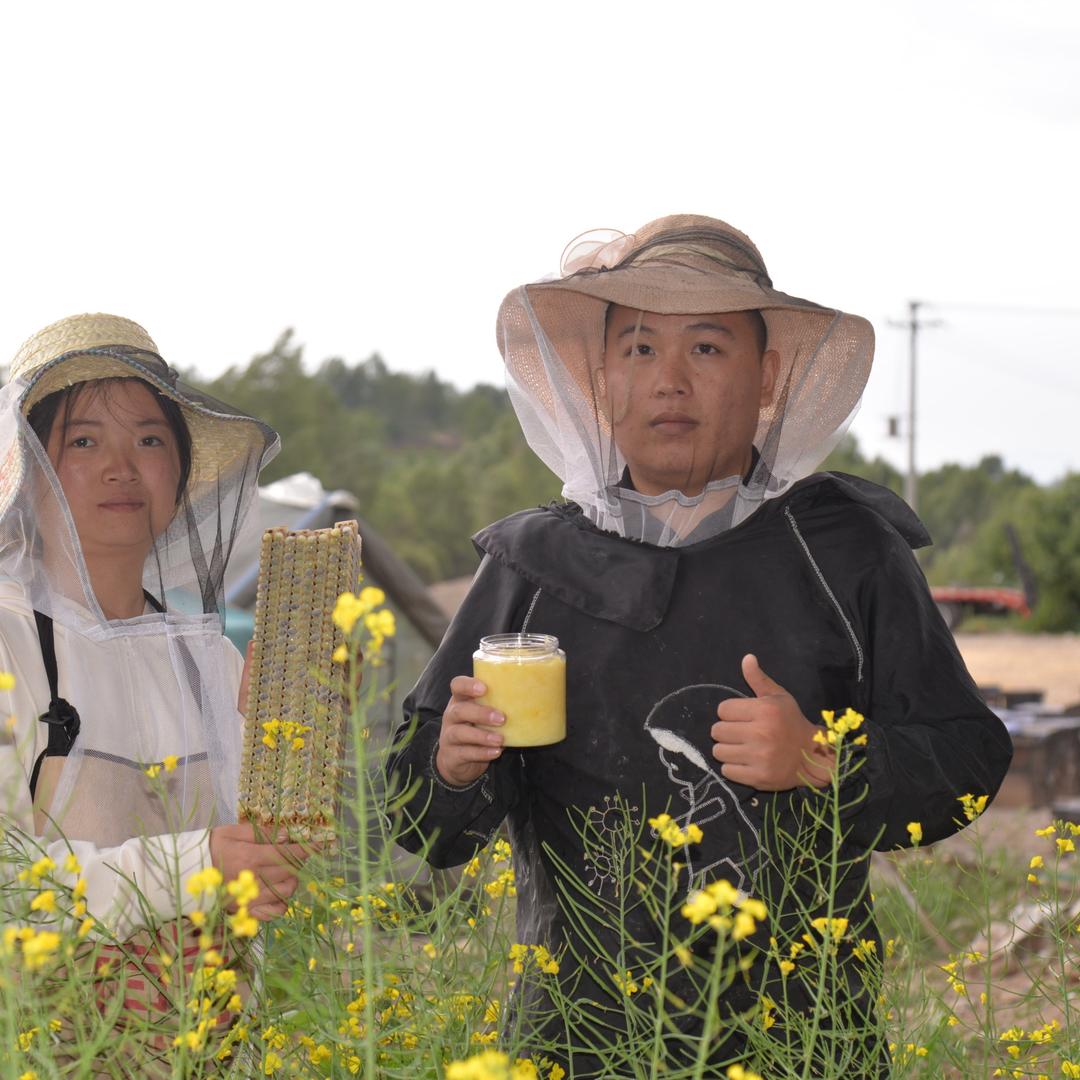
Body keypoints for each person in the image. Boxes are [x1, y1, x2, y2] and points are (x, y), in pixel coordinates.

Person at [387, 216, 1013, 1074]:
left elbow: (968, 755)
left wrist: (823, 760)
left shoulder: (844, 552)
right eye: (638, 350)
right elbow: (420, 819)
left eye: (708, 349)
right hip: (581, 1042)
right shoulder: (533, 565)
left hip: (800, 1040)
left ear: (767, 377)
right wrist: (454, 765)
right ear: (601, 379)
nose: (668, 382)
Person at [0, 314, 307, 1032]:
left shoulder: (211, 659)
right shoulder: (9, 638)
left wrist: (295, 756)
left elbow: (269, 875)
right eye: (83, 441)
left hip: (204, 1045)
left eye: (148, 440)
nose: (120, 466)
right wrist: (195, 863)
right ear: (24, 469)